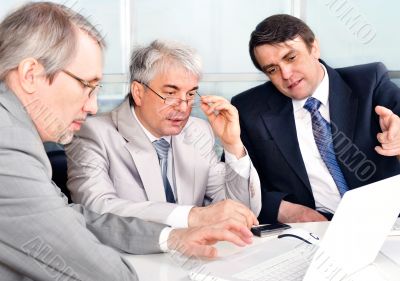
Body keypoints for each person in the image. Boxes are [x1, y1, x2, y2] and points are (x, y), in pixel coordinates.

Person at [0, 3, 254, 280]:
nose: (93, 106)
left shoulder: (15, 130)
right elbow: (88, 264)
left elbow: (70, 216)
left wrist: (171, 238)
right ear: (30, 76)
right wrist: (192, 217)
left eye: (191, 94)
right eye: (86, 85)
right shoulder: (8, 139)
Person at [65, 40, 261, 229]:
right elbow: (96, 210)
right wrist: (191, 216)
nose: (183, 107)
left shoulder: (197, 131)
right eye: (170, 93)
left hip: (197, 254)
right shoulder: (93, 134)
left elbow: (242, 211)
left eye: (191, 94)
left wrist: (232, 144)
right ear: (138, 92)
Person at [231, 14, 400, 224]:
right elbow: (235, 183)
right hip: (313, 230)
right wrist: (284, 210)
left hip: (387, 222)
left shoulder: (370, 82)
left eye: (291, 57)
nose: (286, 74)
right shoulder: (249, 109)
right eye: (272, 69)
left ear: (314, 48)